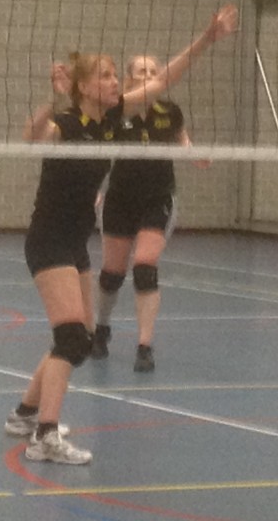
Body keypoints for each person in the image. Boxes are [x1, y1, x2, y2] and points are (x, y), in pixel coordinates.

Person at [4, 5, 238, 465]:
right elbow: (31, 139)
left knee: (80, 337)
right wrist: (53, 99)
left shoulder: (113, 119)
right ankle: (45, 437)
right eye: (107, 76)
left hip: (75, 242)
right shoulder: (67, 124)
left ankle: (25, 414)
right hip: (49, 241)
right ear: (85, 86)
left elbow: (164, 80)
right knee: (72, 339)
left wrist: (207, 38)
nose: (116, 83)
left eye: (116, 75)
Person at [91, 55, 208, 373]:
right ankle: (101, 328)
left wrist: (195, 155)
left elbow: (183, 140)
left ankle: (144, 346)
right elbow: (99, 153)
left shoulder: (169, 112)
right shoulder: (117, 112)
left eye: (153, 71)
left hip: (157, 199)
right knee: (112, 274)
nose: (148, 74)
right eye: (142, 70)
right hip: (120, 200)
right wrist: (97, 188)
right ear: (129, 78)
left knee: (144, 267)